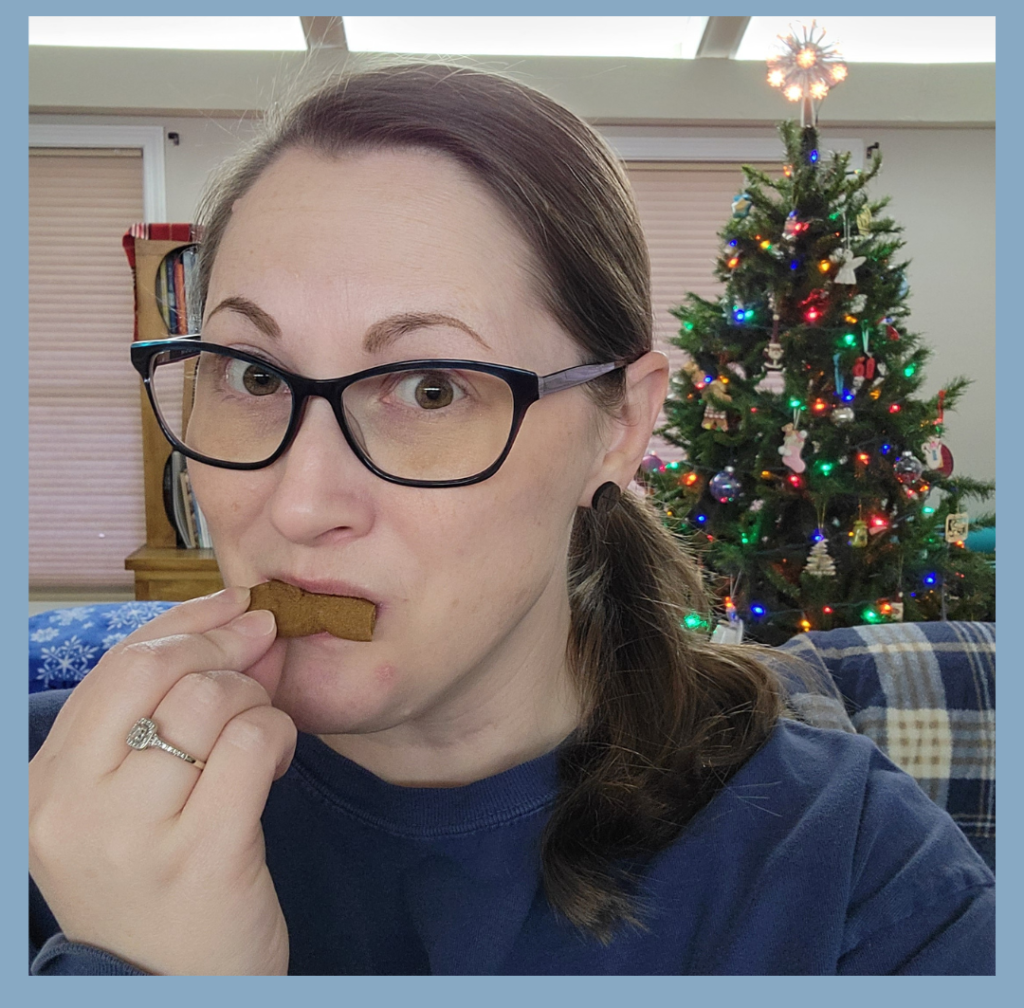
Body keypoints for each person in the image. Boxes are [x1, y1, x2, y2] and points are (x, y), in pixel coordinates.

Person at [29, 63, 993, 975]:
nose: (300, 501)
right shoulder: (46, 797)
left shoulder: (853, 873)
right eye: (252, 374)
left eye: (433, 388)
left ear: (621, 426)